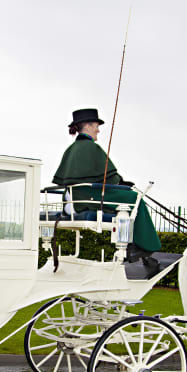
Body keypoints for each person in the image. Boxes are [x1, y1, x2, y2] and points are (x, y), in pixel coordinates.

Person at [53, 108, 162, 274]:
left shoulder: (72, 148)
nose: (98, 130)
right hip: (86, 197)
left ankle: (134, 245)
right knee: (134, 198)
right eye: (96, 126)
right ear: (87, 126)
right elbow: (110, 178)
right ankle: (144, 247)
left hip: (74, 198)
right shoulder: (90, 147)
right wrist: (121, 183)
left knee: (127, 197)